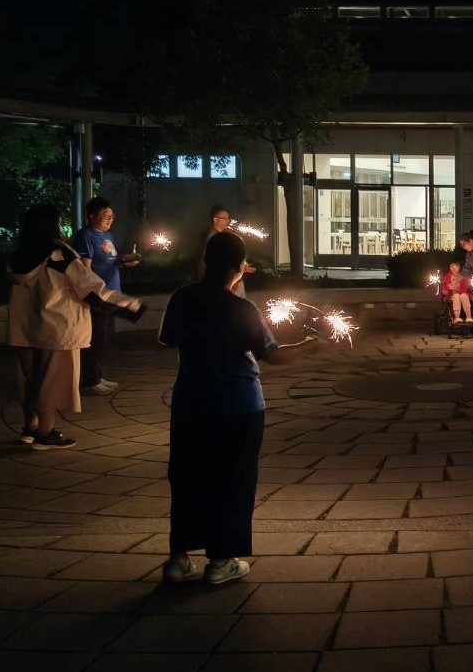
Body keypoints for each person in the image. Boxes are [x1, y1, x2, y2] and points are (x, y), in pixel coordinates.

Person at [158, 230, 310, 585]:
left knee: (188, 477)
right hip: (238, 405)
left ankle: (178, 558)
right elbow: (273, 355)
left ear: (206, 261)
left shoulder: (182, 299)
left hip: (191, 402)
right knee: (232, 479)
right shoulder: (242, 309)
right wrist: (310, 346)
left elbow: (168, 339)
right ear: (240, 267)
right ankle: (221, 559)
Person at [8, 204, 145, 451]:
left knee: (30, 379)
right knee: (52, 382)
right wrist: (131, 306)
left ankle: (30, 427)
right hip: (57, 327)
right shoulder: (60, 254)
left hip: (24, 327)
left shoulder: (19, 255)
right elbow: (90, 287)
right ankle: (45, 433)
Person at [72, 196, 141, 396]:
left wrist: (123, 261)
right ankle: (89, 380)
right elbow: (84, 270)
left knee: (104, 337)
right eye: (105, 216)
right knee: (95, 337)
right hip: (97, 295)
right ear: (91, 216)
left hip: (111, 292)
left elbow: (110, 261)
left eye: (111, 216)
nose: (110, 219)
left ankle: (96, 376)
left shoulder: (108, 235)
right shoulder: (85, 237)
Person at [203, 205, 255, 296]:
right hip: (221, 284)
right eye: (224, 218)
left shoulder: (224, 236)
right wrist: (238, 266)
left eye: (228, 218)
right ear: (215, 220)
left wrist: (241, 265)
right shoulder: (213, 239)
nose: (228, 221)